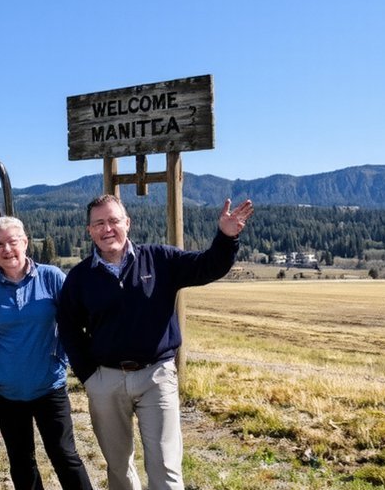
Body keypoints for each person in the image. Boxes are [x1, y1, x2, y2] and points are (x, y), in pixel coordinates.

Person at [57, 194, 254, 490]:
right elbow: (69, 327)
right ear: (89, 231)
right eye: (99, 223)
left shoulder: (160, 259)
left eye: (113, 220)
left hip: (156, 377)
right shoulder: (80, 277)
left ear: (128, 223)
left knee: (165, 467)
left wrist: (226, 238)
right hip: (106, 381)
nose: (107, 228)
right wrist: (89, 376)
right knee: (119, 468)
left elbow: (207, 266)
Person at [0, 216, 94, 490]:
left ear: (25, 242)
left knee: (65, 456)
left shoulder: (52, 277)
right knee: (22, 461)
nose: (7, 249)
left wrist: (63, 360)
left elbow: (74, 324)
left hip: (50, 387)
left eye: (12, 242)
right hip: (6, 392)